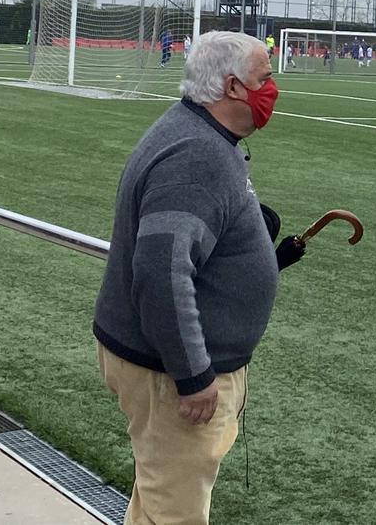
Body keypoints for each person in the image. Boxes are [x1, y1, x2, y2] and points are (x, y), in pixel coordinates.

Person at [94, 31, 307, 524]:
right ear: (233, 87)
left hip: (163, 365)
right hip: (169, 375)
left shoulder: (201, 136)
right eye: (265, 79)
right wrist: (192, 376)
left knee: (159, 501)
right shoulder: (197, 155)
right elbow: (160, 272)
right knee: (175, 513)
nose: (273, 90)